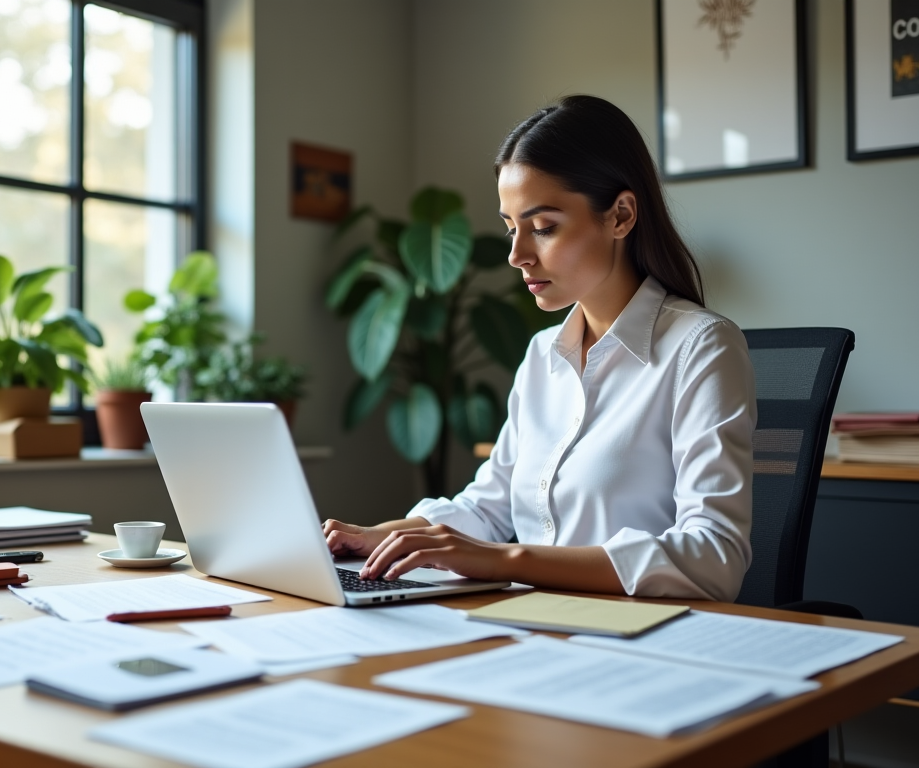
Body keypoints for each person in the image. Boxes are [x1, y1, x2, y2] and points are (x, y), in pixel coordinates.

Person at [323, 95, 755, 603]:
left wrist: (507, 560)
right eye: (511, 229)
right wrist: (390, 536)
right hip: (533, 622)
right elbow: (489, 506)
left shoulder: (700, 348)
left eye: (544, 227)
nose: (517, 255)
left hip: (641, 636)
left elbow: (714, 556)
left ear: (620, 215)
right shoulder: (542, 354)